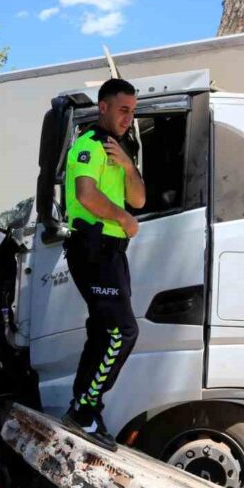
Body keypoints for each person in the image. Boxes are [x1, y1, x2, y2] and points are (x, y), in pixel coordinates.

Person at [60, 78, 145, 450]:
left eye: (133, 111)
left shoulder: (118, 151)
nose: (128, 118)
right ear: (104, 107)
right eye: (123, 109)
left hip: (112, 251)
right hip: (92, 246)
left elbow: (139, 200)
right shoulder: (89, 145)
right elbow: (85, 194)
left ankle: (83, 407)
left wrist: (127, 166)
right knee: (121, 331)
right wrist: (122, 219)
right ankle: (85, 410)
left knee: (103, 331)